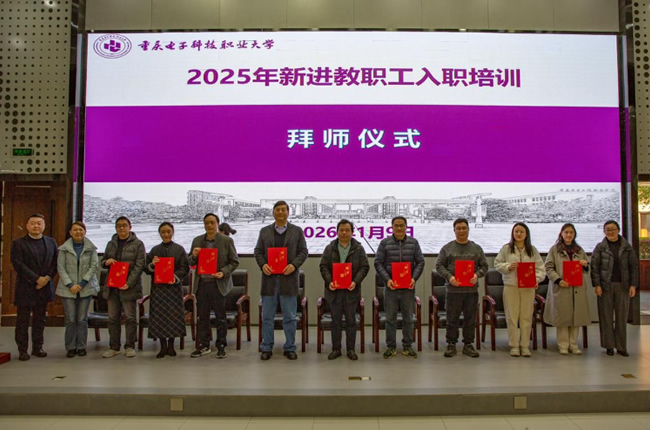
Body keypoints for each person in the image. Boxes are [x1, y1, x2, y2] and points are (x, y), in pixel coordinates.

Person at [254, 200, 308, 360]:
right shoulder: (264, 231)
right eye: (277, 210)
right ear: (273, 212)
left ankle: (290, 347)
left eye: (283, 210)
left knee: (290, 317)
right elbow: (258, 251)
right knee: (267, 317)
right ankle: (266, 347)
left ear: (288, 212)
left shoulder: (297, 231)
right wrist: (263, 265)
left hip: (288, 280)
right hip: (269, 281)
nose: (280, 212)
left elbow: (303, 252)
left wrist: (293, 265)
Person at [189, 213, 240, 359]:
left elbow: (234, 262)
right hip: (202, 284)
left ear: (217, 224)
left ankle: (221, 345)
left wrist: (223, 272)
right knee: (202, 317)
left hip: (219, 284)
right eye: (207, 223)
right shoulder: (197, 240)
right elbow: (190, 262)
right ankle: (204, 345)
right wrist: (194, 255)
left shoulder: (226, 240)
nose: (209, 225)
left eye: (212, 222)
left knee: (220, 317)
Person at [436, 218, 488, 358]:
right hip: (453, 291)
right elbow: (439, 266)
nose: (461, 231)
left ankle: (468, 345)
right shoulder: (447, 248)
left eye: (464, 228)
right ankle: (451, 344)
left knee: (470, 319)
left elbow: (484, 266)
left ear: (468, 229)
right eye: (458, 228)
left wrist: (477, 275)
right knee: (451, 319)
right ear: (454, 230)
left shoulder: (476, 248)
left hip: (471, 291)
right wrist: (449, 277)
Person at [374, 216, 425, 359]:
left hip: (408, 287)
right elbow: (378, 263)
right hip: (391, 288)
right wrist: (387, 280)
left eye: (402, 225)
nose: (399, 228)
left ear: (406, 226)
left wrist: (414, 278)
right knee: (390, 319)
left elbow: (420, 262)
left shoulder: (413, 243)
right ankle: (390, 347)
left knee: (408, 318)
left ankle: (407, 346)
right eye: (396, 225)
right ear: (392, 227)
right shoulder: (385, 243)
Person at [319, 219, 370, 360]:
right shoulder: (330, 248)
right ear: (337, 232)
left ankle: (351, 349)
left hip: (351, 291)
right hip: (334, 291)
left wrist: (355, 282)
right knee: (335, 322)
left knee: (351, 321)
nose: (344, 233)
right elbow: (323, 266)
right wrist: (329, 281)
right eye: (341, 230)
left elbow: (364, 267)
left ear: (352, 232)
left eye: (347, 230)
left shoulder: (358, 248)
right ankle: (336, 349)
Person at [11, 213, 58, 361]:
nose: (36, 226)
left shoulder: (51, 242)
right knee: (23, 320)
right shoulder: (19, 243)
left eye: (39, 223)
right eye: (33, 223)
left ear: (44, 226)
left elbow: (55, 263)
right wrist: (36, 279)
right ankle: (22, 350)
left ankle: (38, 347)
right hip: (25, 287)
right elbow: (18, 265)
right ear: (27, 226)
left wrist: (46, 279)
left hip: (44, 287)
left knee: (40, 319)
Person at [494, 222, 545, 357]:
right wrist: (508, 266)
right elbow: (497, 264)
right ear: (512, 233)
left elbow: (541, 269)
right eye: (516, 231)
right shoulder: (506, 249)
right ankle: (514, 345)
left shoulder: (532, 250)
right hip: (511, 286)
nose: (518, 234)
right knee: (512, 316)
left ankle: (525, 345)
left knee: (526, 316)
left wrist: (536, 280)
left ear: (526, 234)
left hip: (528, 287)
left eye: (521, 232)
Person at [591, 220, 638, 357]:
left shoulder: (627, 247)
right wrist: (597, 285)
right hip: (605, 286)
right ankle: (609, 346)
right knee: (605, 317)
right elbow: (594, 268)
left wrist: (633, 285)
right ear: (604, 232)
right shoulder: (600, 247)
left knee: (621, 317)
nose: (610, 232)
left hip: (623, 286)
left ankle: (621, 347)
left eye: (613, 229)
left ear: (618, 230)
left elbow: (634, 268)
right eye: (607, 230)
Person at [101, 216, 146, 358]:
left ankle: (130, 346)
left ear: (130, 227)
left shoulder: (138, 244)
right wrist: (106, 262)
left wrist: (129, 283)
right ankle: (114, 347)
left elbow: (139, 265)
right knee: (112, 318)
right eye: (119, 225)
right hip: (112, 287)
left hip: (129, 287)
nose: (121, 228)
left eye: (124, 225)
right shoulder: (111, 243)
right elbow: (103, 262)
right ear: (115, 228)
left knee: (130, 318)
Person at [144, 222, 190, 358]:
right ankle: (163, 346)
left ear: (172, 232)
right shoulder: (154, 250)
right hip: (158, 289)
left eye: (168, 231)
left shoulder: (179, 249)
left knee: (173, 317)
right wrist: (153, 264)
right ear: (159, 233)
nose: (166, 234)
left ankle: (171, 345)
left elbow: (185, 268)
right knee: (159, 317)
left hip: (173, 288)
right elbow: (146, 268)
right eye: (163, 232)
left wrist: (175, 277)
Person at [544, 223, 591, 355]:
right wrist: (558, 280)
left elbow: (586, 268)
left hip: (577, 288)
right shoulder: (555, 250)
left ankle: (573, 344)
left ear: (574, 234)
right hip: (561, 287)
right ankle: (563, 344)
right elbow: (548, 267)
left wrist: (585, 265)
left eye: (571, 232)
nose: (569, 235)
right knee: (563, 318)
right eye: (566, 232)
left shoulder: (579, 250)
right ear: (561, 234)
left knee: (576, 318)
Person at [56, 221, 99, 358]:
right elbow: (60, 268)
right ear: (70, 232)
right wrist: (70, 285)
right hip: (68, 289)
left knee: (81, 319)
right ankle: (70, 347)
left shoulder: (91, 248)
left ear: (85, 231)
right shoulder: (63, 249)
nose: (78, 232)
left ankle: (81, 346)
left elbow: (94, 266)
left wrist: (82, 283)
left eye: (81, 229)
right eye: (75, 230)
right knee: (70, 319)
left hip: (85, 288)